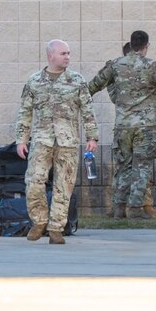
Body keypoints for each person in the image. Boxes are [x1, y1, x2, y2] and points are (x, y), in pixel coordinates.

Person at [14, 39, 99, 245]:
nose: (67, 57)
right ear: (50, 55)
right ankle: (39, 221)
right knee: (34, 181)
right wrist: (21, 140)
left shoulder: (77, 81)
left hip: (68, 141)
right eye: (63, 53)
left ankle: (56, 228)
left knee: (64, 185)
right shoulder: (34, 81)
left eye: (69, 53)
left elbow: (88, 110)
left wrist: (92, 137)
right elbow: (25, 112)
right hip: (42, 140)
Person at [88, 29, 156, 219]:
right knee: (142, 166)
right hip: (146, 126)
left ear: (131, 45)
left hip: (123, 125)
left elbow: (92, 87)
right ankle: (135, 208)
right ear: (146, 46)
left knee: (123, 166)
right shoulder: (153, 67)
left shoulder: (115, 65)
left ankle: (118, 208)